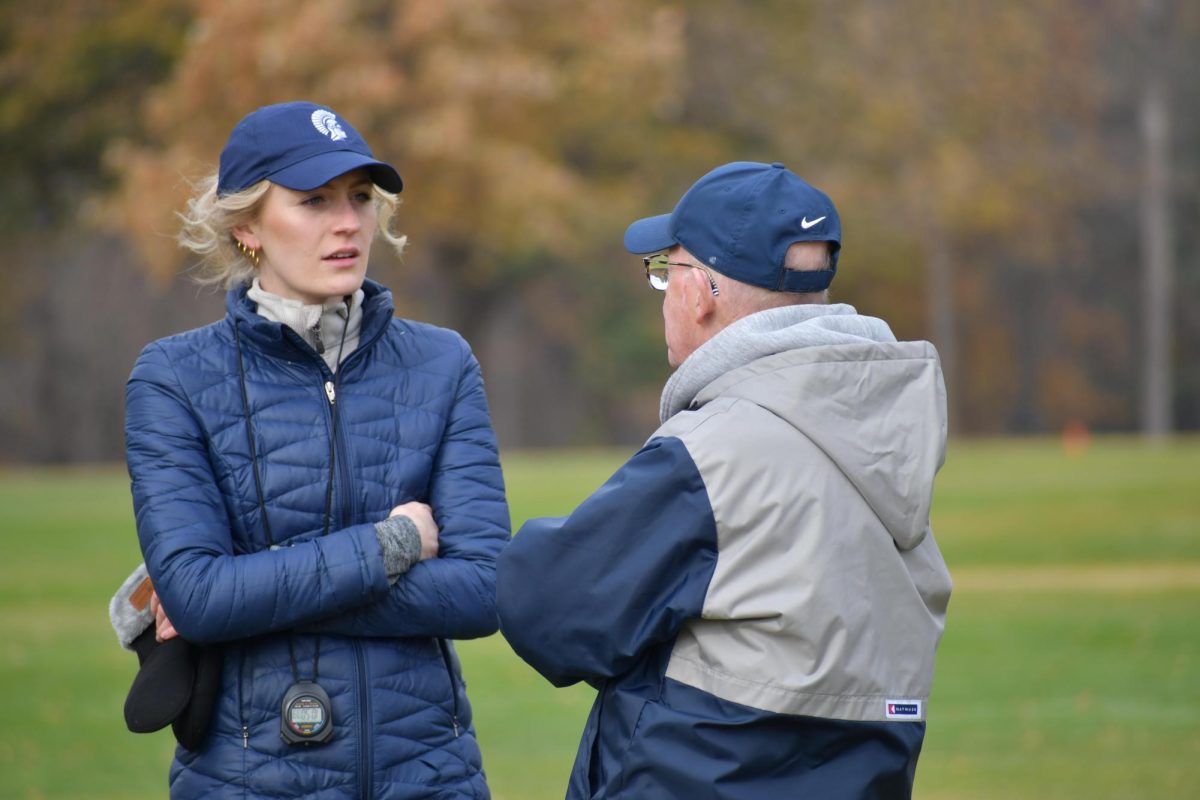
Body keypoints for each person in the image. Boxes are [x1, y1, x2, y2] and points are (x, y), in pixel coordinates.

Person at [496, 161, 953, 799]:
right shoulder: (888, 435)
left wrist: (487, 543)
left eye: (666, 270)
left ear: (704, 293)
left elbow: (552, 613)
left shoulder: (714, 452)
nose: (663, 289)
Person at [117, 101, 509, 798]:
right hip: (248, 779)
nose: (349, 222)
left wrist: (255, 585)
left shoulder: (443, 364)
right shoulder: (173, 377)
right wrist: (390, 547)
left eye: (360, 197)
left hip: (430, 776)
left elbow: (483, 590)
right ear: (246, 228)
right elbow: (201, 597)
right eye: (314, 201)